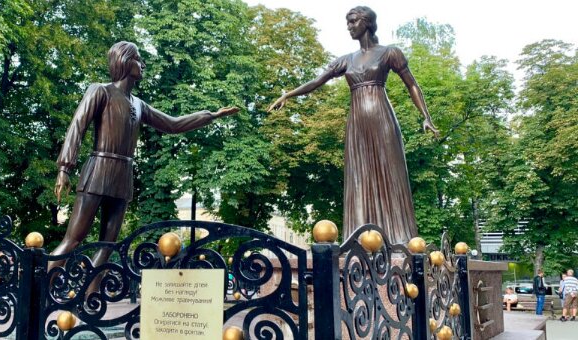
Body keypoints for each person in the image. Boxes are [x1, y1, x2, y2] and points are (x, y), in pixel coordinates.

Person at [51, 41, 238, 272]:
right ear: (125, 61)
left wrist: (211, 116)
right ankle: (38, 294)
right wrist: (64, 168)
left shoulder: (139, 105)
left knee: (108, 246)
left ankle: (90, 300)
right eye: (139, 59)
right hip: (98, 171)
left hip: (123, 176)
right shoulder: (100, 91)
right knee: (73, 239)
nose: (143, 64)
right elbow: (77, 127)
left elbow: (173, 124)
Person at [268, 6, 438, 245]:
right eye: (347, 22)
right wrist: (288, 94)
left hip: (382, 118)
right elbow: (317, 81)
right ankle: (359, 238)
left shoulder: (389, 53)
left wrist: (426, 116)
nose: (348, 26)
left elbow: (412, 84)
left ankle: (399, 237)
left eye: (352, 22)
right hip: (357, 123)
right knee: (360, 175)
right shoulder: (347, 60)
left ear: (366, 23)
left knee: (390, 172)